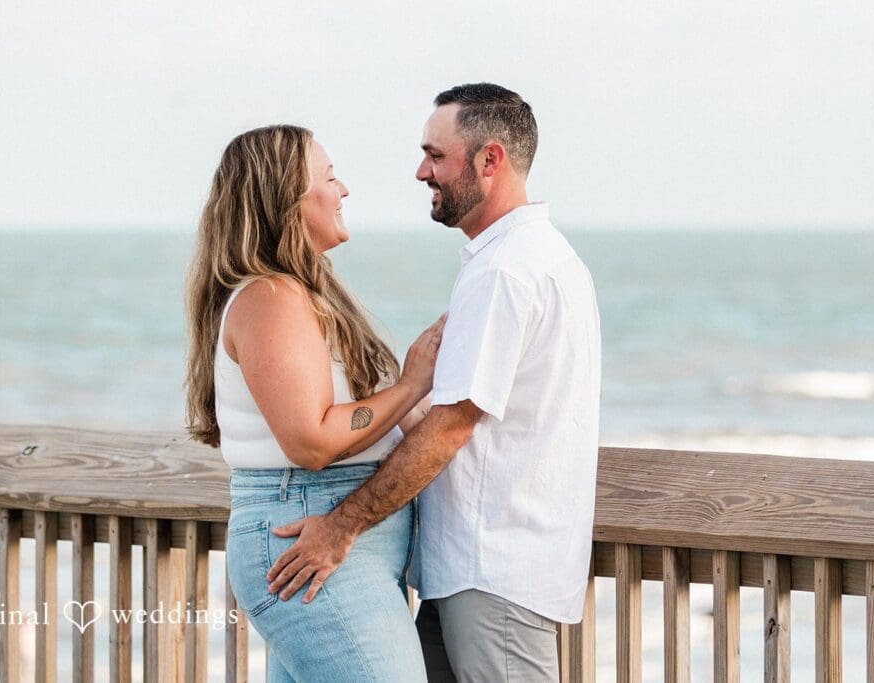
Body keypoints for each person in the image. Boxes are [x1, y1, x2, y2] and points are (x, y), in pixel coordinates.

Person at [267, 84, 602, 681]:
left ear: (489, 160)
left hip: (493, 571)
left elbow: (451, 428)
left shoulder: (505, 272)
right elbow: (467, 417)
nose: (422, 171)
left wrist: (339, 529)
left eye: (436, 155)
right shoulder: (530, 258)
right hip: (471, 569)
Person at [184, 124, 442, 682]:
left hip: (331, 538)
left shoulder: (299, 292)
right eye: (329, 177)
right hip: (307, 532)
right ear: (288, 199)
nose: (344, 189)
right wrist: (411, 384)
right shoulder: (269, 298)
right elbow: (313, 440)